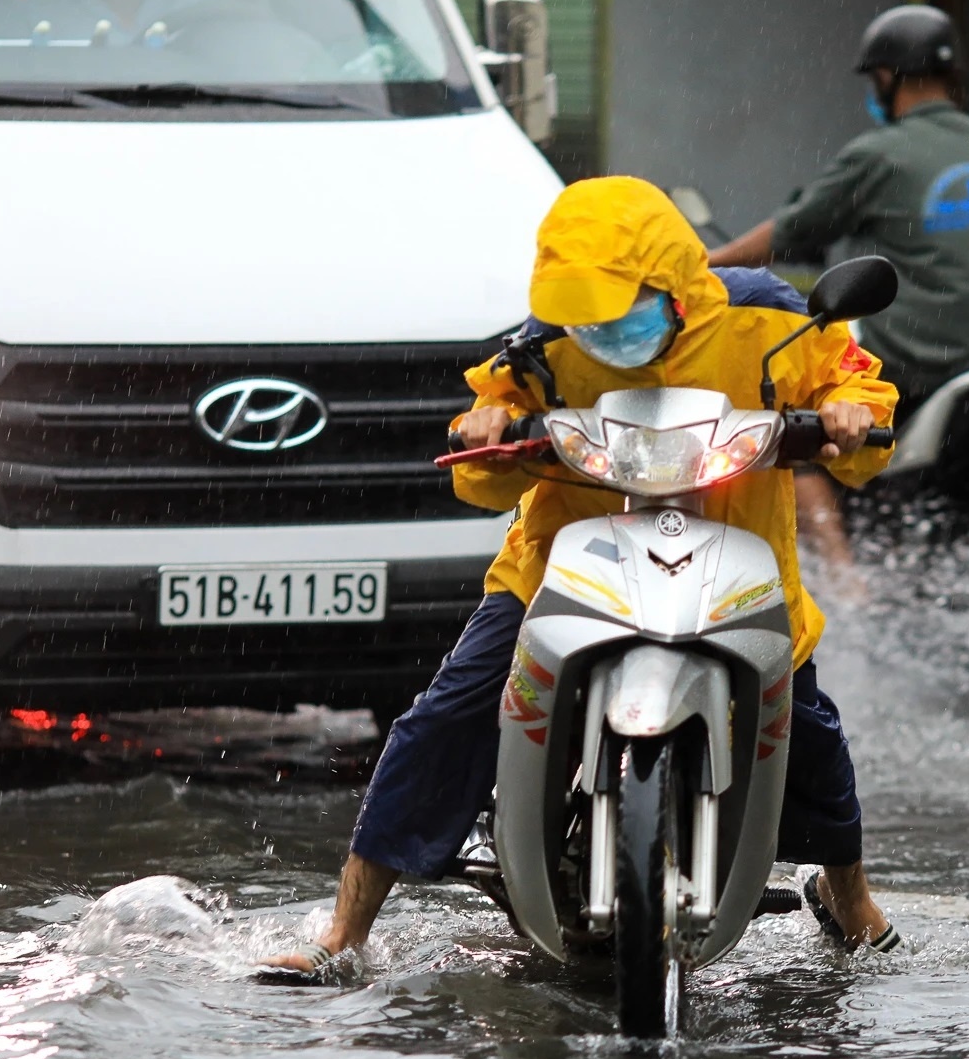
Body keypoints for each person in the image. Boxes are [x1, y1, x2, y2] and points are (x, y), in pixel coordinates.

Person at [261, 176, 905, 980]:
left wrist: (846, 411)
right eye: (583, 315)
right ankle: (345, 931)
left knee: (807, 730)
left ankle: (851, 899)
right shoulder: (550, 340)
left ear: (669, 283)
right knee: (449, 715)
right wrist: (488, 426)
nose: (600, 332)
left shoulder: (768, 316)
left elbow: (859, 386)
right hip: (564, 569)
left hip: (737, 570)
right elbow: (485, 428)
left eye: (618, 309)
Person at [709, 3, 969, 568]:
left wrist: (705, 262)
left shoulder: (879, 154)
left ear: (887, 77)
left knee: (799, 417)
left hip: (927, 350)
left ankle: (847, 585)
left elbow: (793, 229)